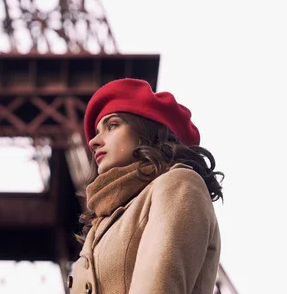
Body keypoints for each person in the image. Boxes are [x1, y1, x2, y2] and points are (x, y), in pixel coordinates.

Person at [67, 78, 224, 294]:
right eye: (96, 132)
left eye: (112, 125)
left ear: (145, 133)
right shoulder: (102, 224)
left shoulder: (178, 184)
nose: (94, 141)